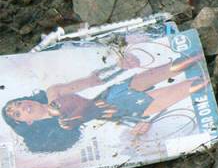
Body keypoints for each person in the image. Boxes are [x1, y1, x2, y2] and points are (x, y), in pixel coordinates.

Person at [2, 52, 204, 153]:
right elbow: (101, 132)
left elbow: (92, 81)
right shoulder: (60, 130)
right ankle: (214, 73)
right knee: (189, 87)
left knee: (175, 66)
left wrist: (119, 66)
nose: (20, 107)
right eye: (17, 114)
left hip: (112, 94)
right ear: (27, 123)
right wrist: (135, 130)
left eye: (17, 104)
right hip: (119, 112)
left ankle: (211, 53)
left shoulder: (53, 92)